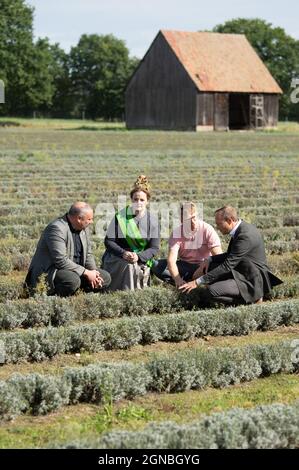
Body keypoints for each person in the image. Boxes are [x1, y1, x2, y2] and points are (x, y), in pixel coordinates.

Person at [179, 205, 283, 305]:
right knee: (209, 268)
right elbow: (230, 255)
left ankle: (252, 299)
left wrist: (197, 282)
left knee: (211, 291)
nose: (217, 227)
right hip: (241, 270)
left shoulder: (244, 235)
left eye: (219, 224)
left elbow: (227, 265)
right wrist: (210, 259)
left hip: (250, 279)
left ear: (230, 220)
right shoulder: (241, 229)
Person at [25, 202, 111, 296]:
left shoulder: (84, 228)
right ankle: (57, 299)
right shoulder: (57, 228)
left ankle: (81, 295)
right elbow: (60, 260)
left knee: (105, 277)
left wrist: (94, 273)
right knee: (72, 280)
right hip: (51, 271)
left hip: (76, 270)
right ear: (79, 219)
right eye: (89, 219)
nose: (92, 222)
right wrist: (86, 272)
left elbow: (88, 254)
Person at [102, 175, 160, 291]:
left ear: (147, 201)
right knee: (130, 266)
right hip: (118, 256)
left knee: (135, 265)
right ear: (131, 199)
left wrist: (138, 256)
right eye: (135, 199)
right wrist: (124, 253)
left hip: (141, 257)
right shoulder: (121, 216)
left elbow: (154, 248)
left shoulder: (152, 220)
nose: (138, 202)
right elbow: (109, 241)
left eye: (142, 200)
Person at [152, 202, 222, 287]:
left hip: (205, 266)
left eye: (194, 217)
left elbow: (219, 257)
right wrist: (177, 279)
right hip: (185, 266)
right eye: (188, 220)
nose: (193, 222)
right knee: (156, 265)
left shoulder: (207, 229)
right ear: (182, 221)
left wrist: (205, 264)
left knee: (217, 267)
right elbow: (171, 260)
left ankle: (199, 283)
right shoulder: (176, 233)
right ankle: (183, 284)